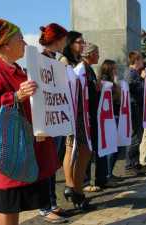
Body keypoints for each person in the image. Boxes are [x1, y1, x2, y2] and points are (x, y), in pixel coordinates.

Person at [0, 19, 60, 225]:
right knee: (8, 201)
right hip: (10, 150)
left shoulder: (15, 68)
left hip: (26, 147)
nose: (25, 43)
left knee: (16, 202)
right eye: (20, 39)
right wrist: (16, 96)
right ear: (5, 44)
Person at [38, 23, 69, 223]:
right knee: (46, 164)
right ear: (56, 40)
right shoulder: (40, 60)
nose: (65, 43)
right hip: (45, 121)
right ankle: (44, 206)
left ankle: (51, 201)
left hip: (55, 119)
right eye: (63, 39)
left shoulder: (55, 61)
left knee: (52, 164)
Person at [61, 31, 92, 210]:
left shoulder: (81, 63)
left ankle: (79, 190)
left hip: (83, 112)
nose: (82, 45)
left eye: (83, 42)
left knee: (86, 151)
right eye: (79, 42)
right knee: (70, 149)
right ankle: (70, 185)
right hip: (70, 112)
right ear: (71, 43)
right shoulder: (64, 61)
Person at [81, 43, 109, 191]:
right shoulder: (82, 69)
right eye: (97, 53)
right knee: (87, 149)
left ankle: (100, 179)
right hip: (87, 116)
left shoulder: (89, 69)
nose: (98, 55)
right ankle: (85, 182)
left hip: (94, 114)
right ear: (90, 54)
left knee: (96, 148)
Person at [98, 59, 124, 183]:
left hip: (114, 115)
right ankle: (108, 175)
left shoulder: (111, 82)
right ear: (108, 69)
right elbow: (113, 98)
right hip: (109, 117)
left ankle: (110, 173)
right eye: (114, 68)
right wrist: (116, 84)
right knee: (111, 147)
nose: (116, 70)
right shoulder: (105, 81)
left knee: (115, 147)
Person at [124, 51, 146, 176]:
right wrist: (143, 79)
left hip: (137, 107)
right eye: (141, 60)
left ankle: (135, 163)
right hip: (133, 107)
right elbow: (131, 89)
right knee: (135, 137)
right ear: (136, 60)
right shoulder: (130, 73)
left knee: (138, 136)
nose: (142, 63)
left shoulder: (135, 73)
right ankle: (130, 165)